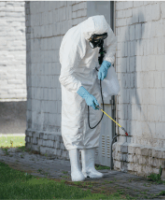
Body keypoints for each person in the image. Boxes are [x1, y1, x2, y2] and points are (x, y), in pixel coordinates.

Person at [59, 15, 117, 181]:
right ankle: (75, 169)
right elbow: (65, 76)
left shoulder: (105, 29)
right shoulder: (74, 40)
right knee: (75, 121)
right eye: (96, 40)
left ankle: (89, 167)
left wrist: (106, 63)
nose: (99, 43)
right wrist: (84, 93)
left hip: (92, 75)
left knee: (94, 117)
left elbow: (112, 45)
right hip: (74, 80)